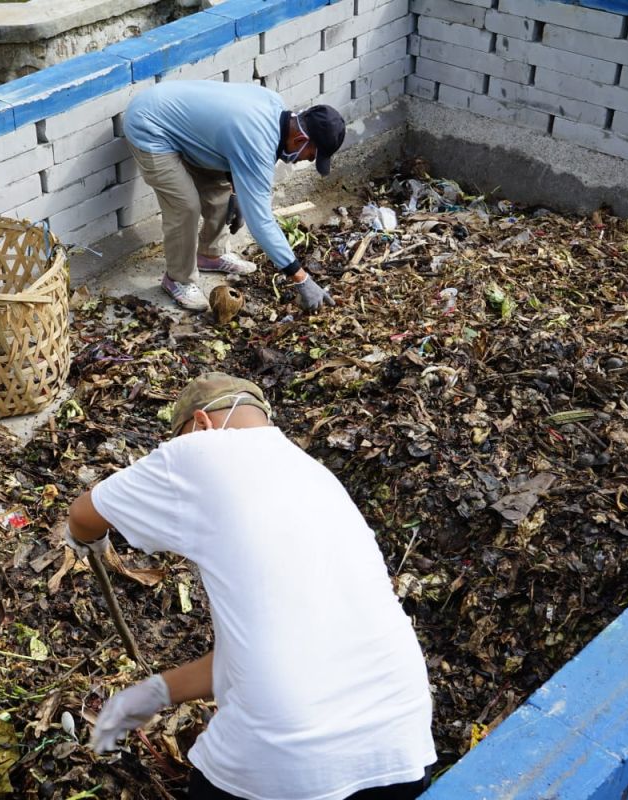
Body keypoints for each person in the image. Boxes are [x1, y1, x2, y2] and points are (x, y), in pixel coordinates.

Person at [64, 373, 436, 800]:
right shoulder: (316, 478)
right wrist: (152, 694)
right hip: (401, 753)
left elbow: (83, 515)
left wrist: (88, 541)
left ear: (201, 423)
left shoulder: (198, 451)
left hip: (286, 765)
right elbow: (268, 656)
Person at [124, 80, 345, 312]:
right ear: (300, 140)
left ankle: (211, 253)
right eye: (311, 156)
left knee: (220, 186)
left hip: (176, 117)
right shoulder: (258, 141)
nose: (307, 161)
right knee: (185, 205)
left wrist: (237, 191)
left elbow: (232, 145)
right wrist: (302, 279)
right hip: (149, 125)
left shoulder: (275, 106)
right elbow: (261, 222)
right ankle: (177, 279)